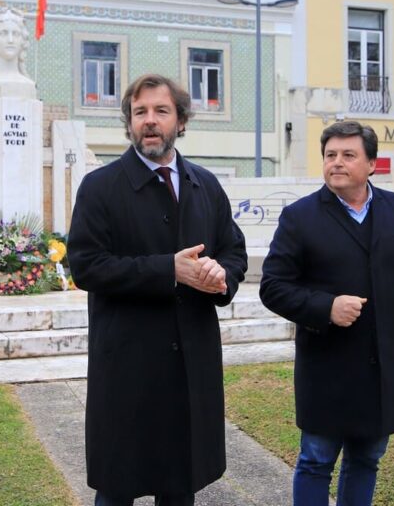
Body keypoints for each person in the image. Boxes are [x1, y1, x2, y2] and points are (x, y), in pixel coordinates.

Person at [67, 74, 247, 505]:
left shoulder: (206, 184)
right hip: (126, 366)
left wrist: (222, 276)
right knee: (117, 488)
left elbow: (234, 251)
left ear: (181, 121)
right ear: (129, 123)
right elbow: (86, 267)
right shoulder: (100, 186)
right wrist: (169, 270)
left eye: (161, 111)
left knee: (179, 486)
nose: (150, 121)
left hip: (191, 365)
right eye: (140, 112)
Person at [259, 121, 394, 506]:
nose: (336, 163)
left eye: (348, 155)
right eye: (330, 155)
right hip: (327, 368)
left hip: (383, 367)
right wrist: (326, 307)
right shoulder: (300, 217)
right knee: (316, 460)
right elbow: (273, 287)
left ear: (372, 164)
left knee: (367, 459)